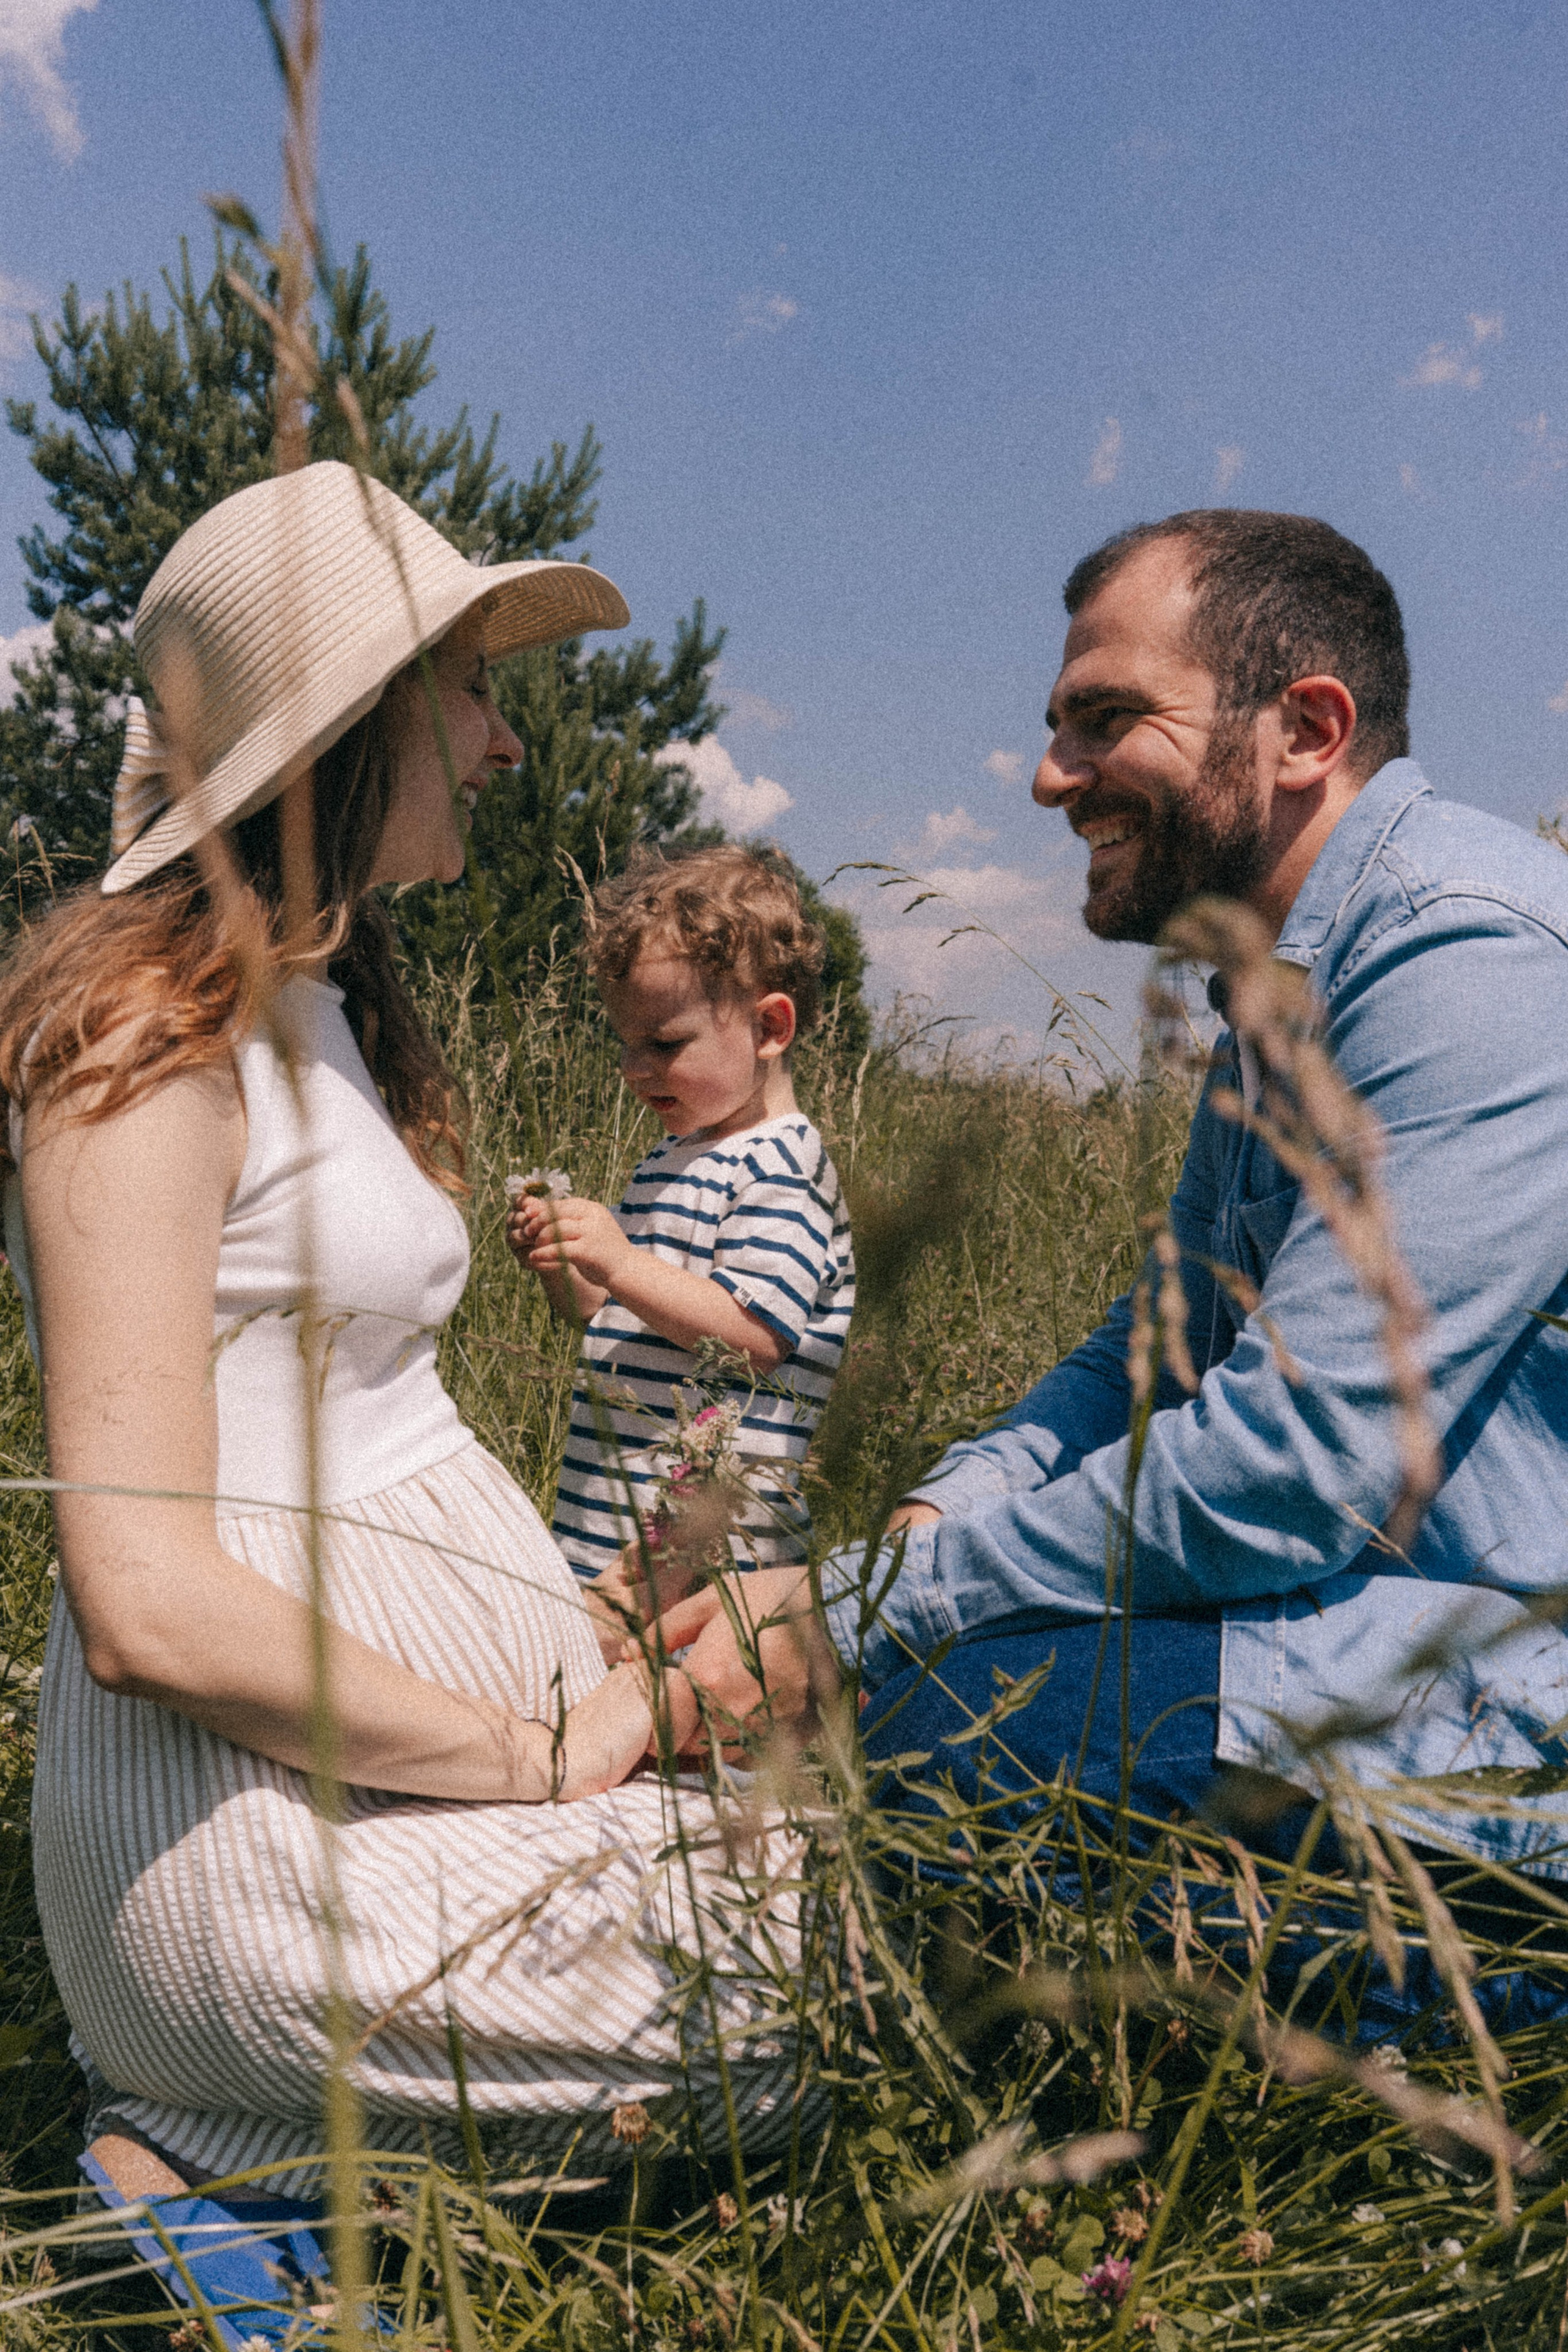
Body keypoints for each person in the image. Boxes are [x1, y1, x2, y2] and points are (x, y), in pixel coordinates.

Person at [0, 461, 809, 2257]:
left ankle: (216, 2160)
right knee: (828, 1966)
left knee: (832, 1858)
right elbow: (138, 1596)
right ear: (357, 713)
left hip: (386, 1785)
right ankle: (237, 2136)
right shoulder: (136, 1038)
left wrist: (587, 1625)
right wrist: (546, 1751)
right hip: (251, 1848)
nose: (503, 742)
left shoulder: (321, 1011)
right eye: (470, 684)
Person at [650, 510, 1568, 1996]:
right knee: (891, 1717)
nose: (1044, 774)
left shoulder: (1465, 959)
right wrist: (932, 1520)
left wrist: (858, 1611)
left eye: (1103, 720)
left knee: (920, 1740)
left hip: (1501, 1722)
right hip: (1360, 1628)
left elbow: (1299, 1456)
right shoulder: (1267, 1001)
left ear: (1303, 730)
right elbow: (1142, 1356)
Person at [508, 845, 854, 1596]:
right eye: (626, 1042)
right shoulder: (670, 1159)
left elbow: (756, 1338)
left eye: (664, 1044)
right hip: (605, 1524)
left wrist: (624, 1262)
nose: (635, 1068)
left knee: (695, 1713)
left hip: (711, 1558)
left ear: (770, 1028)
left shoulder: (782, 1167)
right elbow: (609, 1318)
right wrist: (569, 1267)